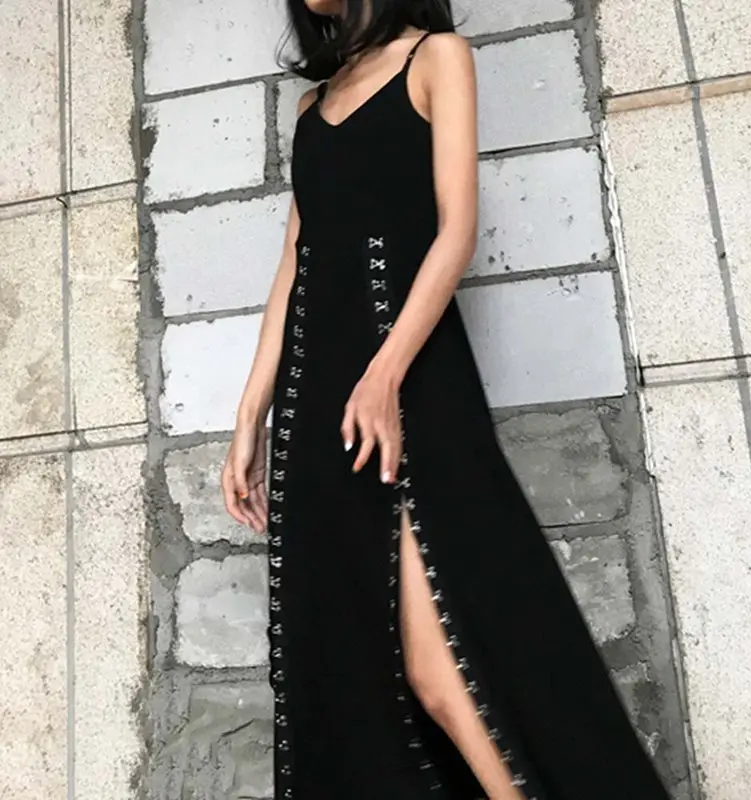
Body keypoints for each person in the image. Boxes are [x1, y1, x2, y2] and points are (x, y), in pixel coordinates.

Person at [221, 0, 673, 797]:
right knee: (358, 658)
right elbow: (296, 262)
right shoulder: (310, 107)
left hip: (408, 382)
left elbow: (456, 230)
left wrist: (385, 373)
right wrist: (250, 414)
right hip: (316, 400)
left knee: (442, 667)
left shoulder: (436, 58)